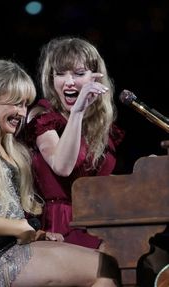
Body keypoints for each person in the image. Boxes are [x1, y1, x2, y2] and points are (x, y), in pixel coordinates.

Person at [0, 59, 121, 286]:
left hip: (14, 250)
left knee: (109, 265)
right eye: (15, 103)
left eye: (25, 104)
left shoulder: (9, 147)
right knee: (105, 268)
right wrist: (17, 227)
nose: (22, 112)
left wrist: (35, 234)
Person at [24, 36, 125, 250]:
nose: (69, 82)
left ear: (96, 78)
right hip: (60, 226)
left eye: (78, 74)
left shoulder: (99, 126)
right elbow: (62, 166)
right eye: (60, 74)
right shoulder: (43, 116)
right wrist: (77, 110)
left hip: (97, 221)